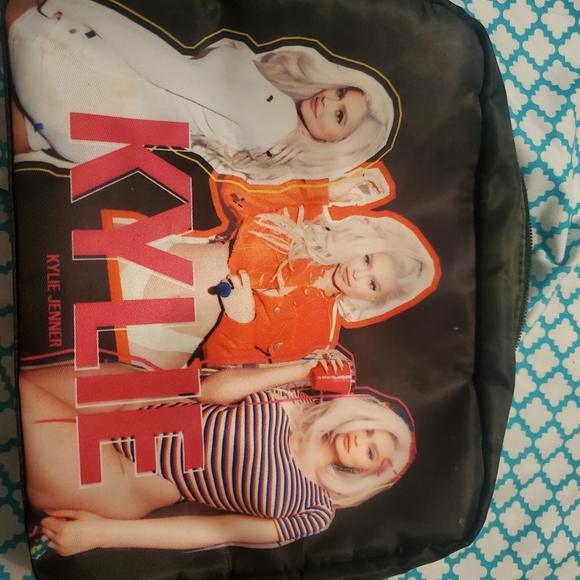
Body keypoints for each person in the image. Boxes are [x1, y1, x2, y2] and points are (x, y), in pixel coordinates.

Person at [19, 357, 416, 555]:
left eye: (370, 451)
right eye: (368, 428)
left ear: (368, 473)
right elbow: (209, 392)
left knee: (18, 404)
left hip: (129, 478)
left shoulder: (316, 512)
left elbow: (217, 532)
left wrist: (99, 535)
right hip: (139, 398)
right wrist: (305, 369)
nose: (359, 440)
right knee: (15, 383)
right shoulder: (298, 401)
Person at [7, 0, 398, 183]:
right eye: (341, 92)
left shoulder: (275, 114)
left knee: (17, 12)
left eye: (339, 116)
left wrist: (80, 8)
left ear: (333, 144)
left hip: (92, 87)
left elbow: (171, 71)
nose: (329, 100)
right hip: (99, 133)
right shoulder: (272, 148)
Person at [113, 207, 438, 369]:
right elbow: (251, 232)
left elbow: (226, 368)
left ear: (373, 299)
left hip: (158, 340)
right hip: (148, 257)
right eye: (367, 259)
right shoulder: (304, 228)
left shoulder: (319, 335)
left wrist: (241, 320)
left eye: (372, 283)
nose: (358, 273)